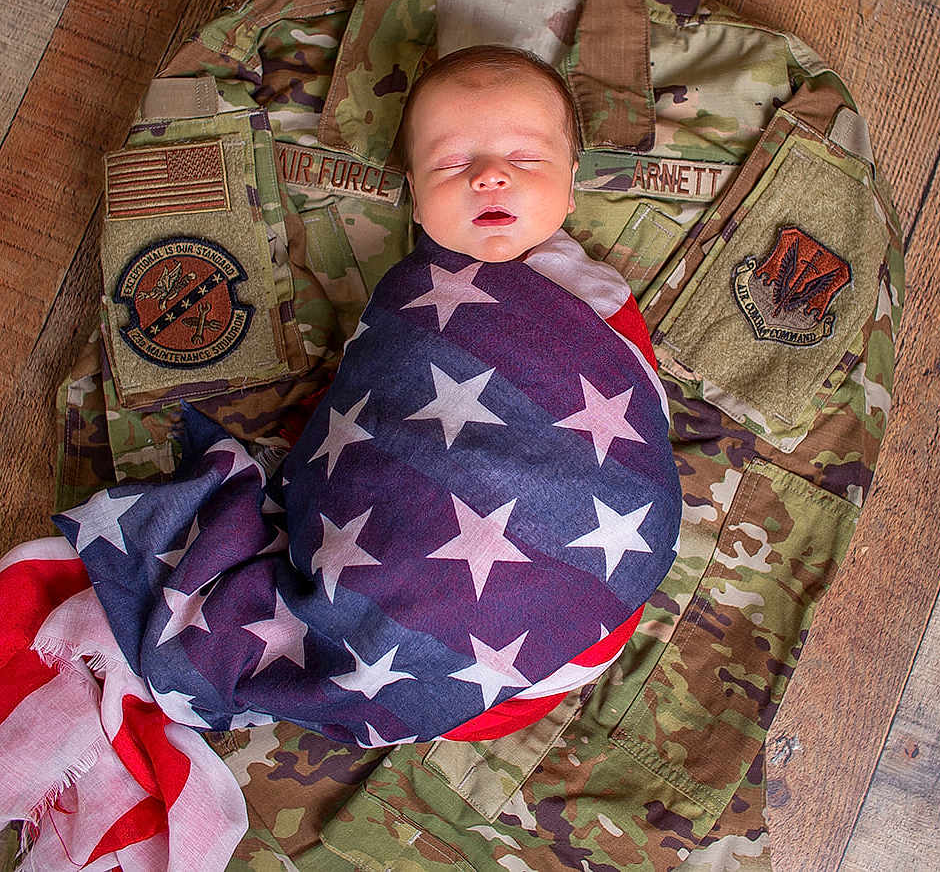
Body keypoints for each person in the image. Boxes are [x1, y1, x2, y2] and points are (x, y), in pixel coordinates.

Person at [45, 45, 683, 747]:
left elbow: (629, 441)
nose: (489, 175)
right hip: (438, 625)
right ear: (413, 189)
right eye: (451, 162)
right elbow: (369, 417)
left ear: (569, 189)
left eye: (525, 161)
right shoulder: (406, 295)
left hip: (558, 617)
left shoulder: (594, 305)